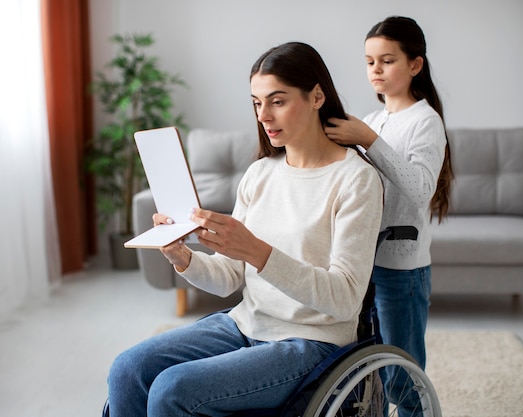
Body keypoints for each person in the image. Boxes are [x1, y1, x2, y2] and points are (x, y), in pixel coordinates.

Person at [106, 42, 384, 417]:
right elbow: (228, 279)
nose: (264, 115)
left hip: (311, 340)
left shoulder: (355, 180)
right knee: (127, 370)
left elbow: (345, 299)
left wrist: (255, 251)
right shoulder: (260, 173)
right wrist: (183, 256)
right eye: (256, 103)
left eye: (277, 101)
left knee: (173, 390)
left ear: (317, 95)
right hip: (245, 322)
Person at [324, 15, 452, 415]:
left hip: (402, 270)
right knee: (369, 369)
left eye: (387, 60)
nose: (375, 70)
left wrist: (368, 140)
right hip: (364, 262)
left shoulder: (424, 122)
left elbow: (418, 191)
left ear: (415, 64)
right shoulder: (375, 119)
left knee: (402, 374)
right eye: (369, 62)